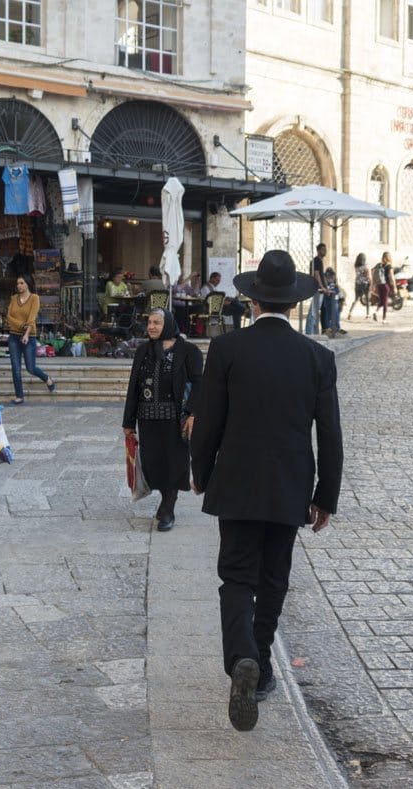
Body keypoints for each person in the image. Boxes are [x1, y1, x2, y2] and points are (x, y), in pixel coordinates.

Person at [190, 249, 342, 732]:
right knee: (273, 577)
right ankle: (261, 664)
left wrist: (201, 472)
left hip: (235, 480)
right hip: (290, 485)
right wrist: (326, 495)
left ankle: (241, 660)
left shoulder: (228, 350)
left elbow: (208, 421)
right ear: (294, 304)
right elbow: (331, 434)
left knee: (236, 576)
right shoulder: (318, 358)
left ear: (253, 301)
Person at [122, 309, 203, 532]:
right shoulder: (143, 350)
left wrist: (193, 414)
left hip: (177, 420)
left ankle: (168, 507)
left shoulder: (188, 351)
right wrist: (128, 422)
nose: (151, 327)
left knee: (174, 464)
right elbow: (133, 387)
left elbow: (199, 384)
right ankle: (165, 500)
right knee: (153, 463)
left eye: (157, 323)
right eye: (149, 322)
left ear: (168, 324)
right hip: (148, 419)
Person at [5, 275, 57, 404]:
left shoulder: (34, 298)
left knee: (30, 368)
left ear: (27, 284)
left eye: (21, 283)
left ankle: (47, 378)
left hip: (30, 336)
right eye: (17, 283)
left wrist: (26, 334)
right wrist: (22, 325)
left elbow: (31, 318)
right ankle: (19, 396)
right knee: (15, 368)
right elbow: (9, 317)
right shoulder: (13, 298)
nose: (19, 286)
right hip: (13, 336)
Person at [304, 243, 327, 335]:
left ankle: (312, 332)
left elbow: (321, 275)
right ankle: (309, 332)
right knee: (313, 312)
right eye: (323, 250)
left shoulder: (319, 261)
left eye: (325, 250)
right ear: (318, 251)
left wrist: (325, 288)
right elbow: (316, 274)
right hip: (317, 290)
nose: (325, 252)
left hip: (320, 290)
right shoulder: (316, 260)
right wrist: (322, 287)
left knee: (315, 312)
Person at [320, 267, 345, 338]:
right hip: (328, 302)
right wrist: (329, 292)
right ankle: (329, 328)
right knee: (328, 315)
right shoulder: (326, 284)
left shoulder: (334, 284)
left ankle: (337, 328)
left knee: (336, 315)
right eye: (328, 276)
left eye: (331, 276)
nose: (330, 278)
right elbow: (327, 291)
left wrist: (333, 292)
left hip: (335, 302)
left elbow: (336, 291)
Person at [371, 251, 395, 323]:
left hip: (379, 284)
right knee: (385, 302)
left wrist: (373, 284)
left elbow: (372, 271)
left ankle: (376, 312)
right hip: (386, 285)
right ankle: (384, 319)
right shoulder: (389, 266)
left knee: (382, 300)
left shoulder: (379, 265)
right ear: (389, 258)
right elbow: (392, 277)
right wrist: (394, 287)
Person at [347, 253, 371, 321]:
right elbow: (368, 276)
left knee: (356, 299)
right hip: (365, 284)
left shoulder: (356, 266)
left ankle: (350, 313)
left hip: (357, 284)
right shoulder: (366, 266)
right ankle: (368, 314)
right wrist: (371, 283)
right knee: (367, 299)